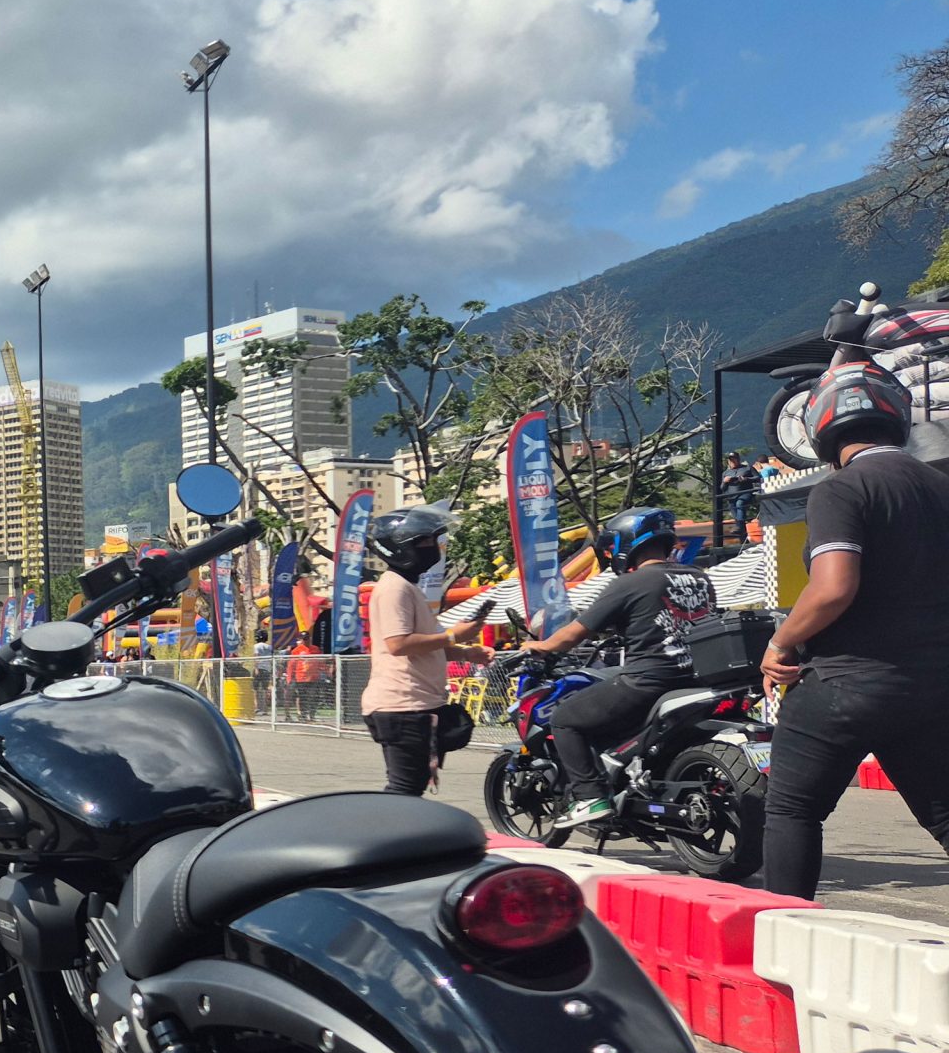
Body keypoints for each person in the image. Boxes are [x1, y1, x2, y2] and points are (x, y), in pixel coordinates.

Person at [760, 361, 949, 899]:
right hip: (934, 685)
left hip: (849, 682)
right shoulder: (941, 486)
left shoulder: (841, 490)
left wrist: (781, 642)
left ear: (820, 426)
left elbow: (832, 588)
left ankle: (780, 943)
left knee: (793, 810)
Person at [519, 506, 718, 829]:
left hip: (649, 680)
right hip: (695, 677)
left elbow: (574, 633)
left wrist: (540, 646)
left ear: (628, 543)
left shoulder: (629, 583)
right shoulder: (698, 577)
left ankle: (590, 797)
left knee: (565, 718)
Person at [360, 505, 487, 795]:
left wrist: (467, 652)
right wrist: (454, 636)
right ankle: (383, 836)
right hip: (402, 705)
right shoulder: (394, 588)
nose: (434, 549)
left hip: (417, 705)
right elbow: (399, 644)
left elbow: (425, 648)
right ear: (399, 548)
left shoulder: (406, 587)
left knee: (413, 787)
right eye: (426, 542)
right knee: (404, 790)